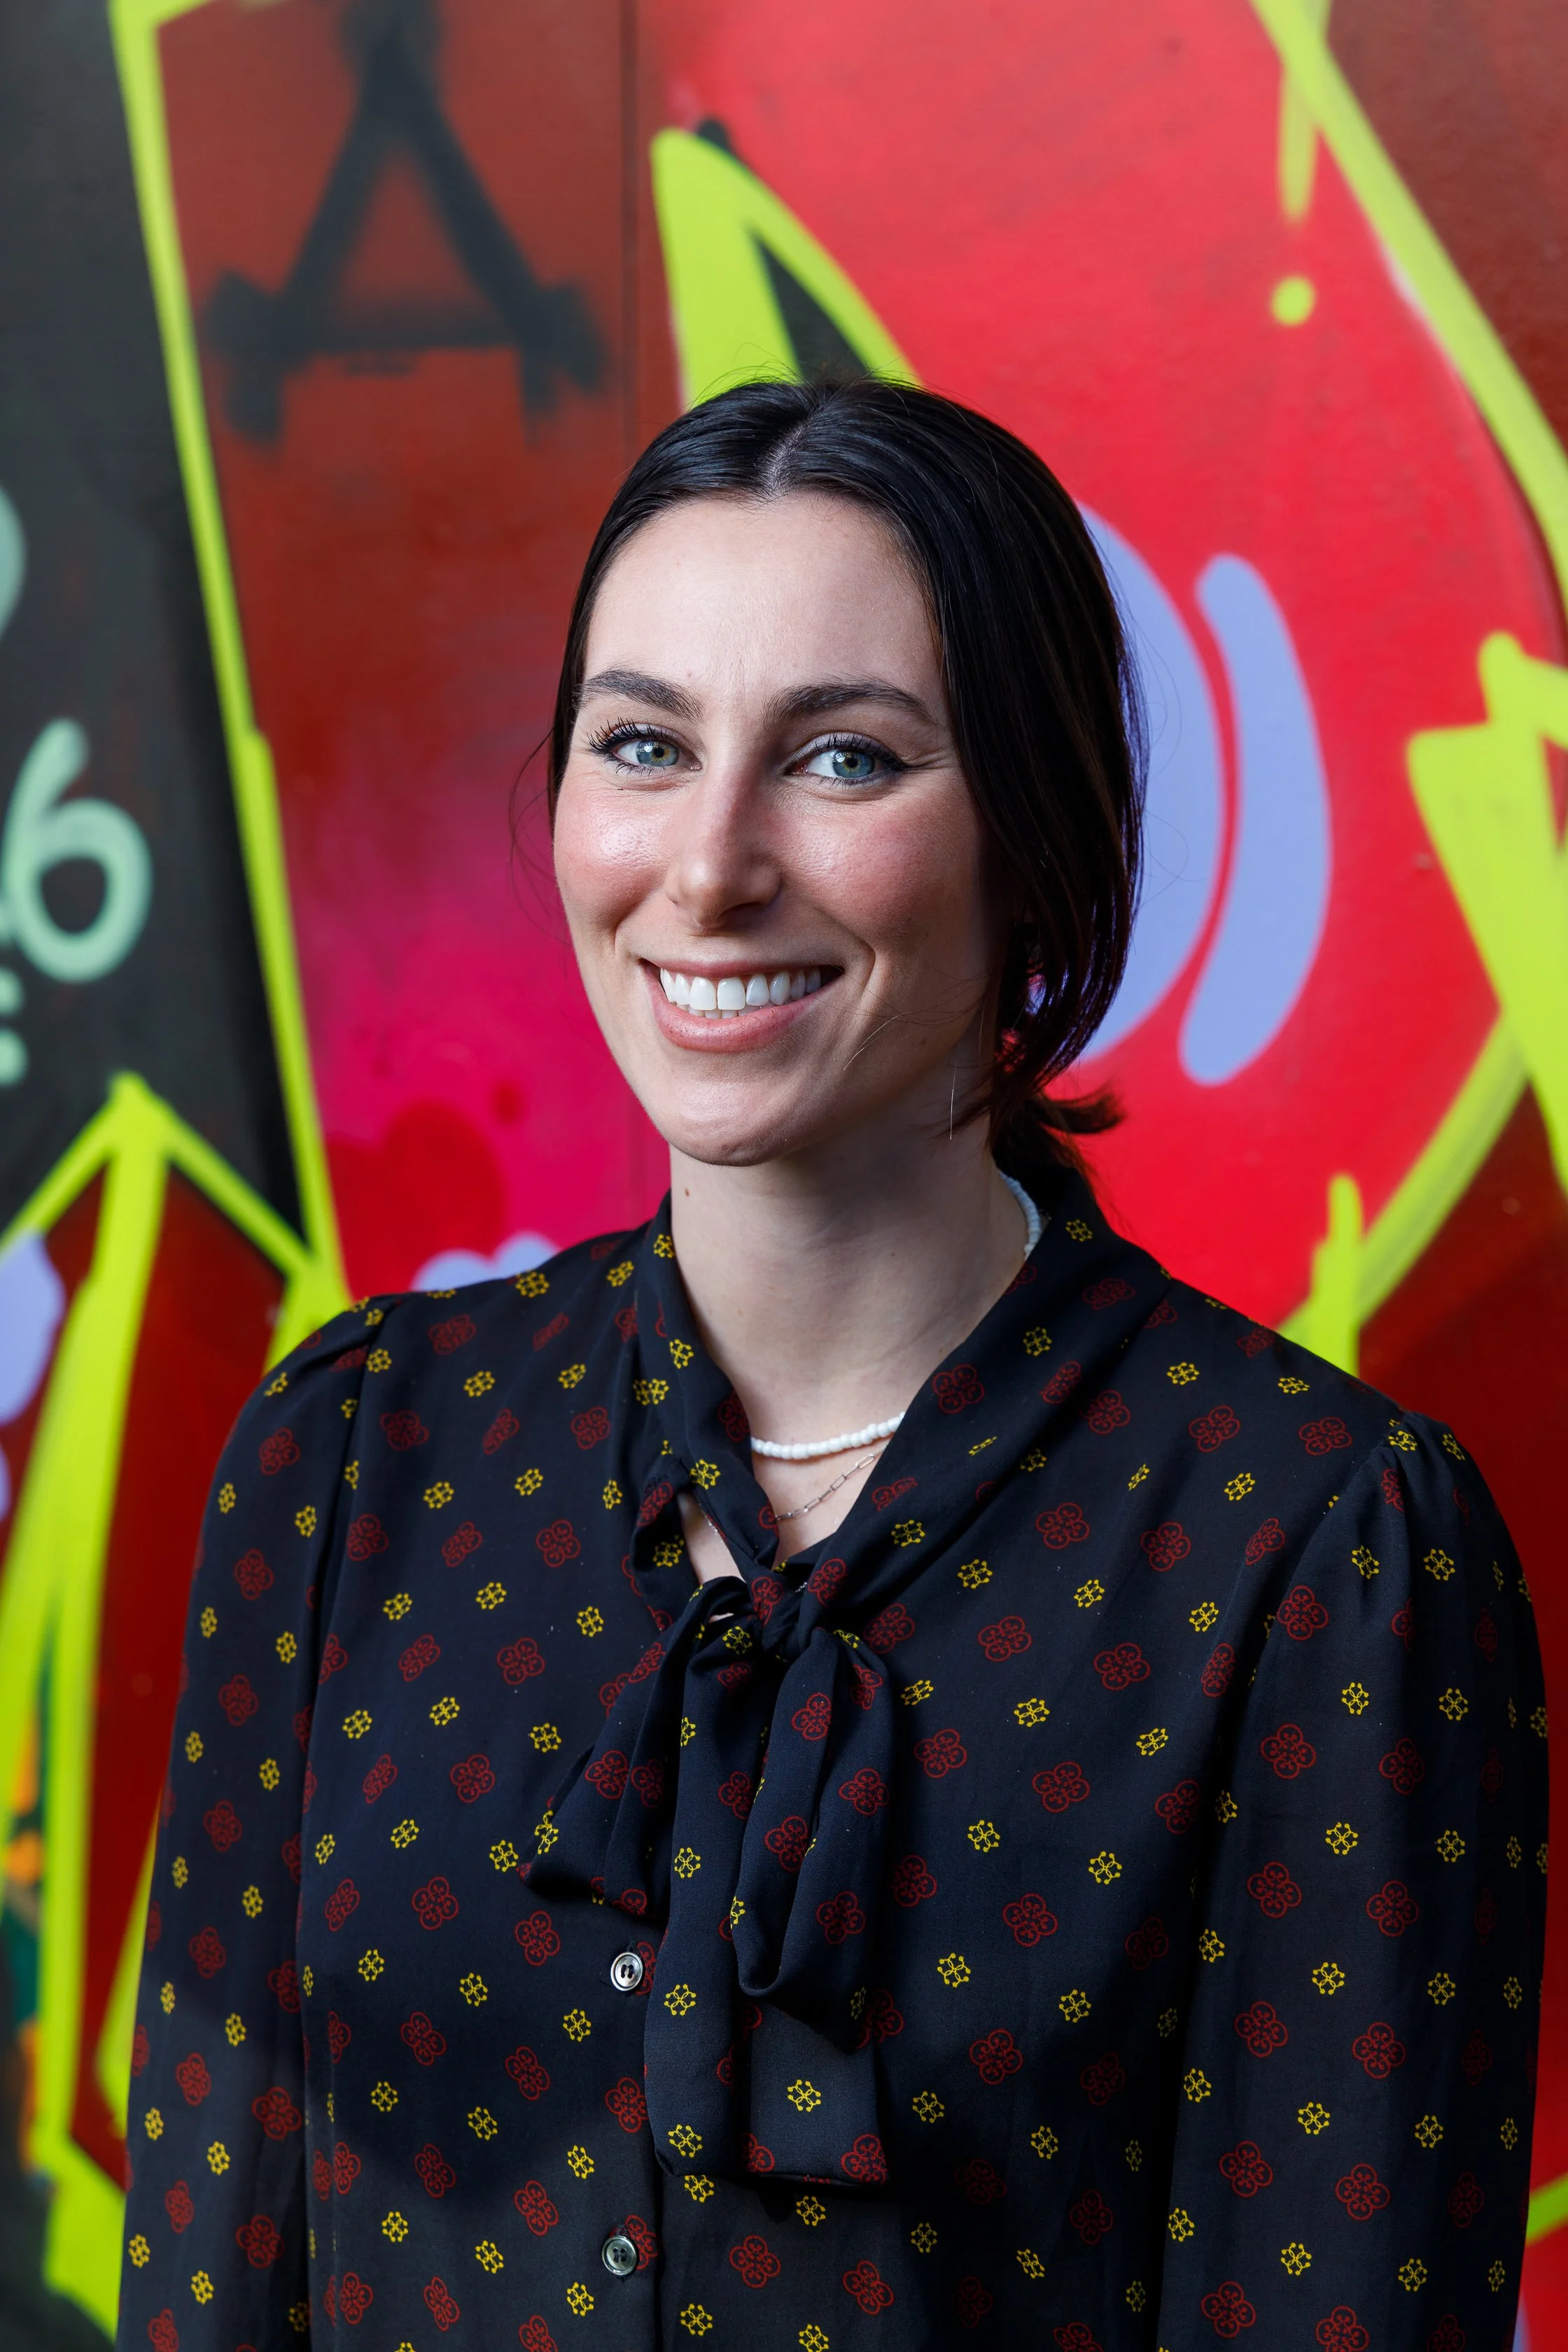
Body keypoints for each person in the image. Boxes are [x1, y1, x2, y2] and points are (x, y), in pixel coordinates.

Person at [118, 379, 1545, 2351]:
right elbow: (210, 2263)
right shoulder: (353, 1457)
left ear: (1033, 842)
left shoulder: (1317, 1550)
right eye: (642, 745)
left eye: (843, 761)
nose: (708, 867)